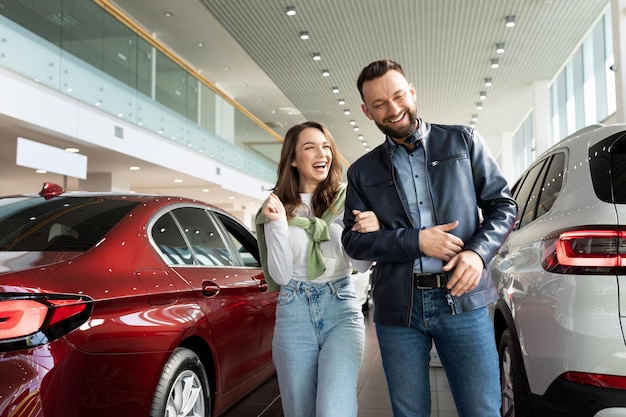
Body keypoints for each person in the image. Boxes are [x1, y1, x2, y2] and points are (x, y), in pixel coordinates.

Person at [341, 60, 518, 417]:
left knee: (482, 410)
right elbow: (354, 243)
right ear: (366, 111)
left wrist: (477, 254)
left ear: (412, 91)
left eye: (398, 96)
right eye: (379, 105)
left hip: (463, 299)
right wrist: (416, 241)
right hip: (397, 308)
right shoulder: (362, 171)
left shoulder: (462, 142)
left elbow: (504, 206)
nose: (393, 110)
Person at [255, 121, 379, 417]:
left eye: (325, 147)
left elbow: (360, 266)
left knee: (333, 411)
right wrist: (277, 225)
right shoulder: (276, 208)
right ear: (294, 160)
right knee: (299, 411)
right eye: (310, 147)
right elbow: (282, 276)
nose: (321, 153)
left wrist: (370, 233)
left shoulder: (348, 200)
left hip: (341, 307)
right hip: (293, 309)